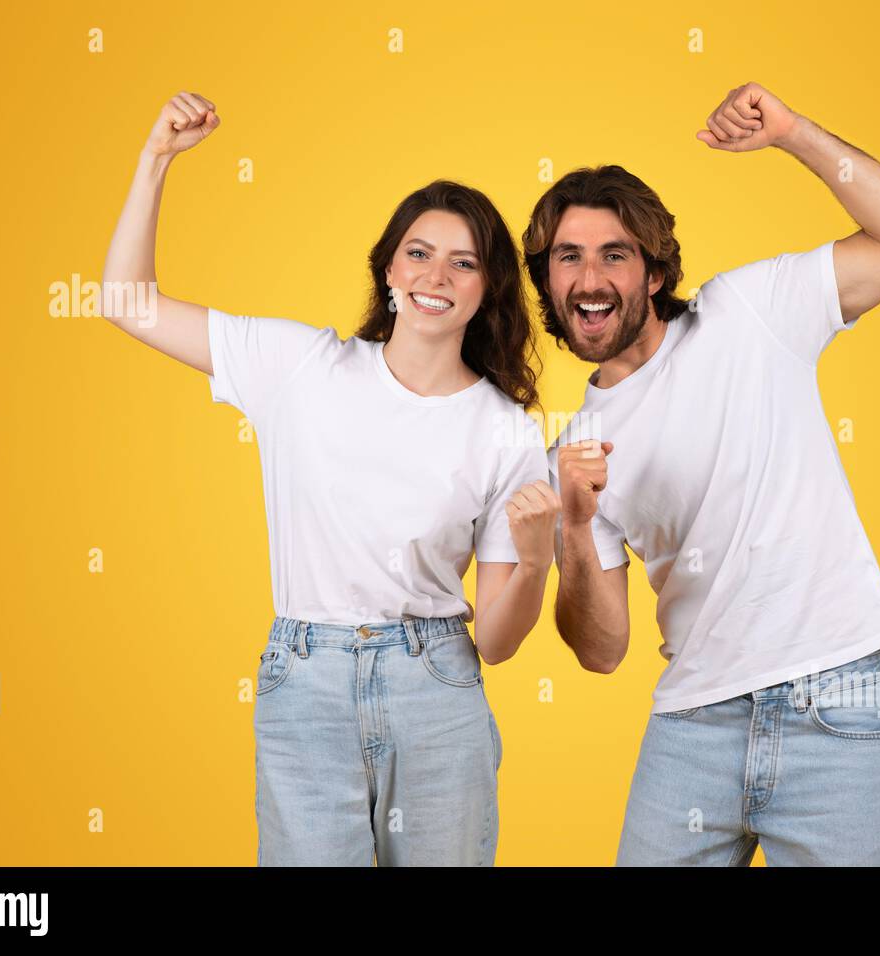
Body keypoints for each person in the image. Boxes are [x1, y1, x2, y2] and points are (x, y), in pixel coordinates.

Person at [101, 91, 558, 866]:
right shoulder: (299, 367)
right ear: (388, 268)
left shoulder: (505, 431)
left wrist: (540, 550)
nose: (435, 275)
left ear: (487, 291)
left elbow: (500, 643)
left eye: (463, 262)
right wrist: (155, 160)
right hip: (305, 681)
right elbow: (124, 302)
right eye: (418, 252)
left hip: (435, 683)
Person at [527, 82, 880, 865]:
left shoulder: (749, 313)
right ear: (547, 282)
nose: (589, 278)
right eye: (568, 257)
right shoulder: (574, 449)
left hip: (834, 703)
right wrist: (575, 529)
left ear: (653, 273)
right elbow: (602, 649)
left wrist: (790, 132)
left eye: (614, 255)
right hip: (693, 726)